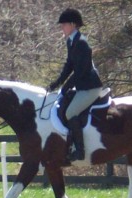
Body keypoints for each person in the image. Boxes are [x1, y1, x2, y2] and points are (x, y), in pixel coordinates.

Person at [49, 8, 103, 162]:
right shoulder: (71, 41)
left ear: (72, 24)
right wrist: (57, 83)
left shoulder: (81, 43)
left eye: (63, 24)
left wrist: (66, 87)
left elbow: (80, 71)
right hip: (82, 85)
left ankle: (80, 151)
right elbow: (69, 66)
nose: (62, 27)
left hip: (90, 87)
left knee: (70, 112)